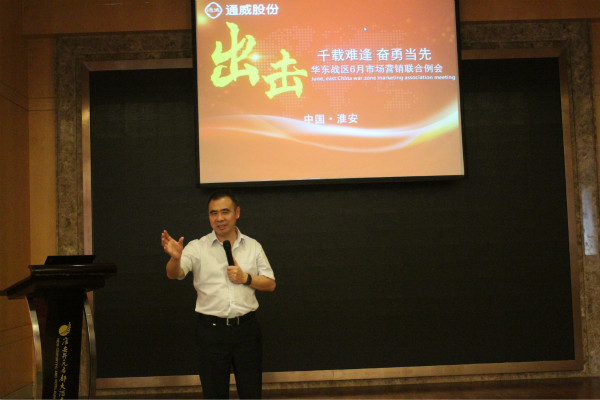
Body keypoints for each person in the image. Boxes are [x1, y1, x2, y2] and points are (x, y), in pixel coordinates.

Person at [161, 190, 276, 399]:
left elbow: (270, 284)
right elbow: (174, 274)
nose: (219, 218)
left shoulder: (253, 246)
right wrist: (175, 258)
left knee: (251, 392)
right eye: (213, 213)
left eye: (225, 212)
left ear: (237, 213)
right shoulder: (197, 247)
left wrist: (246, 278)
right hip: (211, 332)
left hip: (247, 330)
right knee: (214, 394)